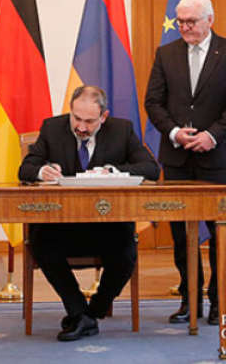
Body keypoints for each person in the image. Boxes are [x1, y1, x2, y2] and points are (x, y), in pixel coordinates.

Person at [19, 85, 160, 341]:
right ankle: (79, 311)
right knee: (41, 243)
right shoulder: (52, 128)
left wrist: (114, 172)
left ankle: (90, 313)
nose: (81, 127)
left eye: (90, 122)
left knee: (126, 252)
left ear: (104, 117)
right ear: (70, 110)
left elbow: (151, 169)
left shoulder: (122, 130)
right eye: (77, 119)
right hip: (62, 224)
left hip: (108, 224)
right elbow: (25, 168)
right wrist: (42, 171)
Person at [144, 0, 226, 326]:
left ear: (209, 20)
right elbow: (153, 102)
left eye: (191, 21)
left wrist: (212, 135)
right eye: (181, 22)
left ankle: (219, 302)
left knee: (222, 232)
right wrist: (175, 132)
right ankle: (190, 300)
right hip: (177, 159)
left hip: (218, 158)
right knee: (181, 233)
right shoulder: (166, 54)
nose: (185, 27)